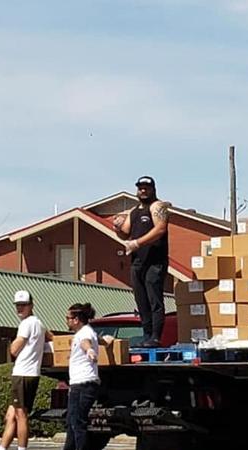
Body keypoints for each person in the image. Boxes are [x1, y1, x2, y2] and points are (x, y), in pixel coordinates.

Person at [113, 175, 170, 348]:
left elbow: (160, 229)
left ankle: (155, 337)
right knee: (141, 300)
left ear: (153, 189)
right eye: (140, 188)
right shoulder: (134, 211)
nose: (143, 191)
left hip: (155, 260)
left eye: (146, 188)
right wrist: (116, 227)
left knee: (154, 299)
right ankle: (146, 335)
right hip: (138, 261)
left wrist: (137, 243)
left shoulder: (157, 206)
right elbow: (125, 232)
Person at [0, 290, 53, 450]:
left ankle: (22, 448)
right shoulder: (39, 323)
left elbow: (14, 350)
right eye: (18, 305)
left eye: (23, 305)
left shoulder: (26, 324)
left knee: (21, 415)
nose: (20, 308)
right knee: (11, 416)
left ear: (31, 305)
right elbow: (52, 337)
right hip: (31, 373)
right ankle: (2, 448)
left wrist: (13, 343)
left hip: (23, 373)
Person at [63, 303, 100, 450]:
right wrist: (107, 340)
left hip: (84, 384)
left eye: (68, 318)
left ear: (76, 319)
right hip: (79, 384)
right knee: (72, 422)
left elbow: (86, 343)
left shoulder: (84, 333)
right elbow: (97, 339)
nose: (66, 320)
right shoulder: (87, 331)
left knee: (78, 422)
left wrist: (90, 350)